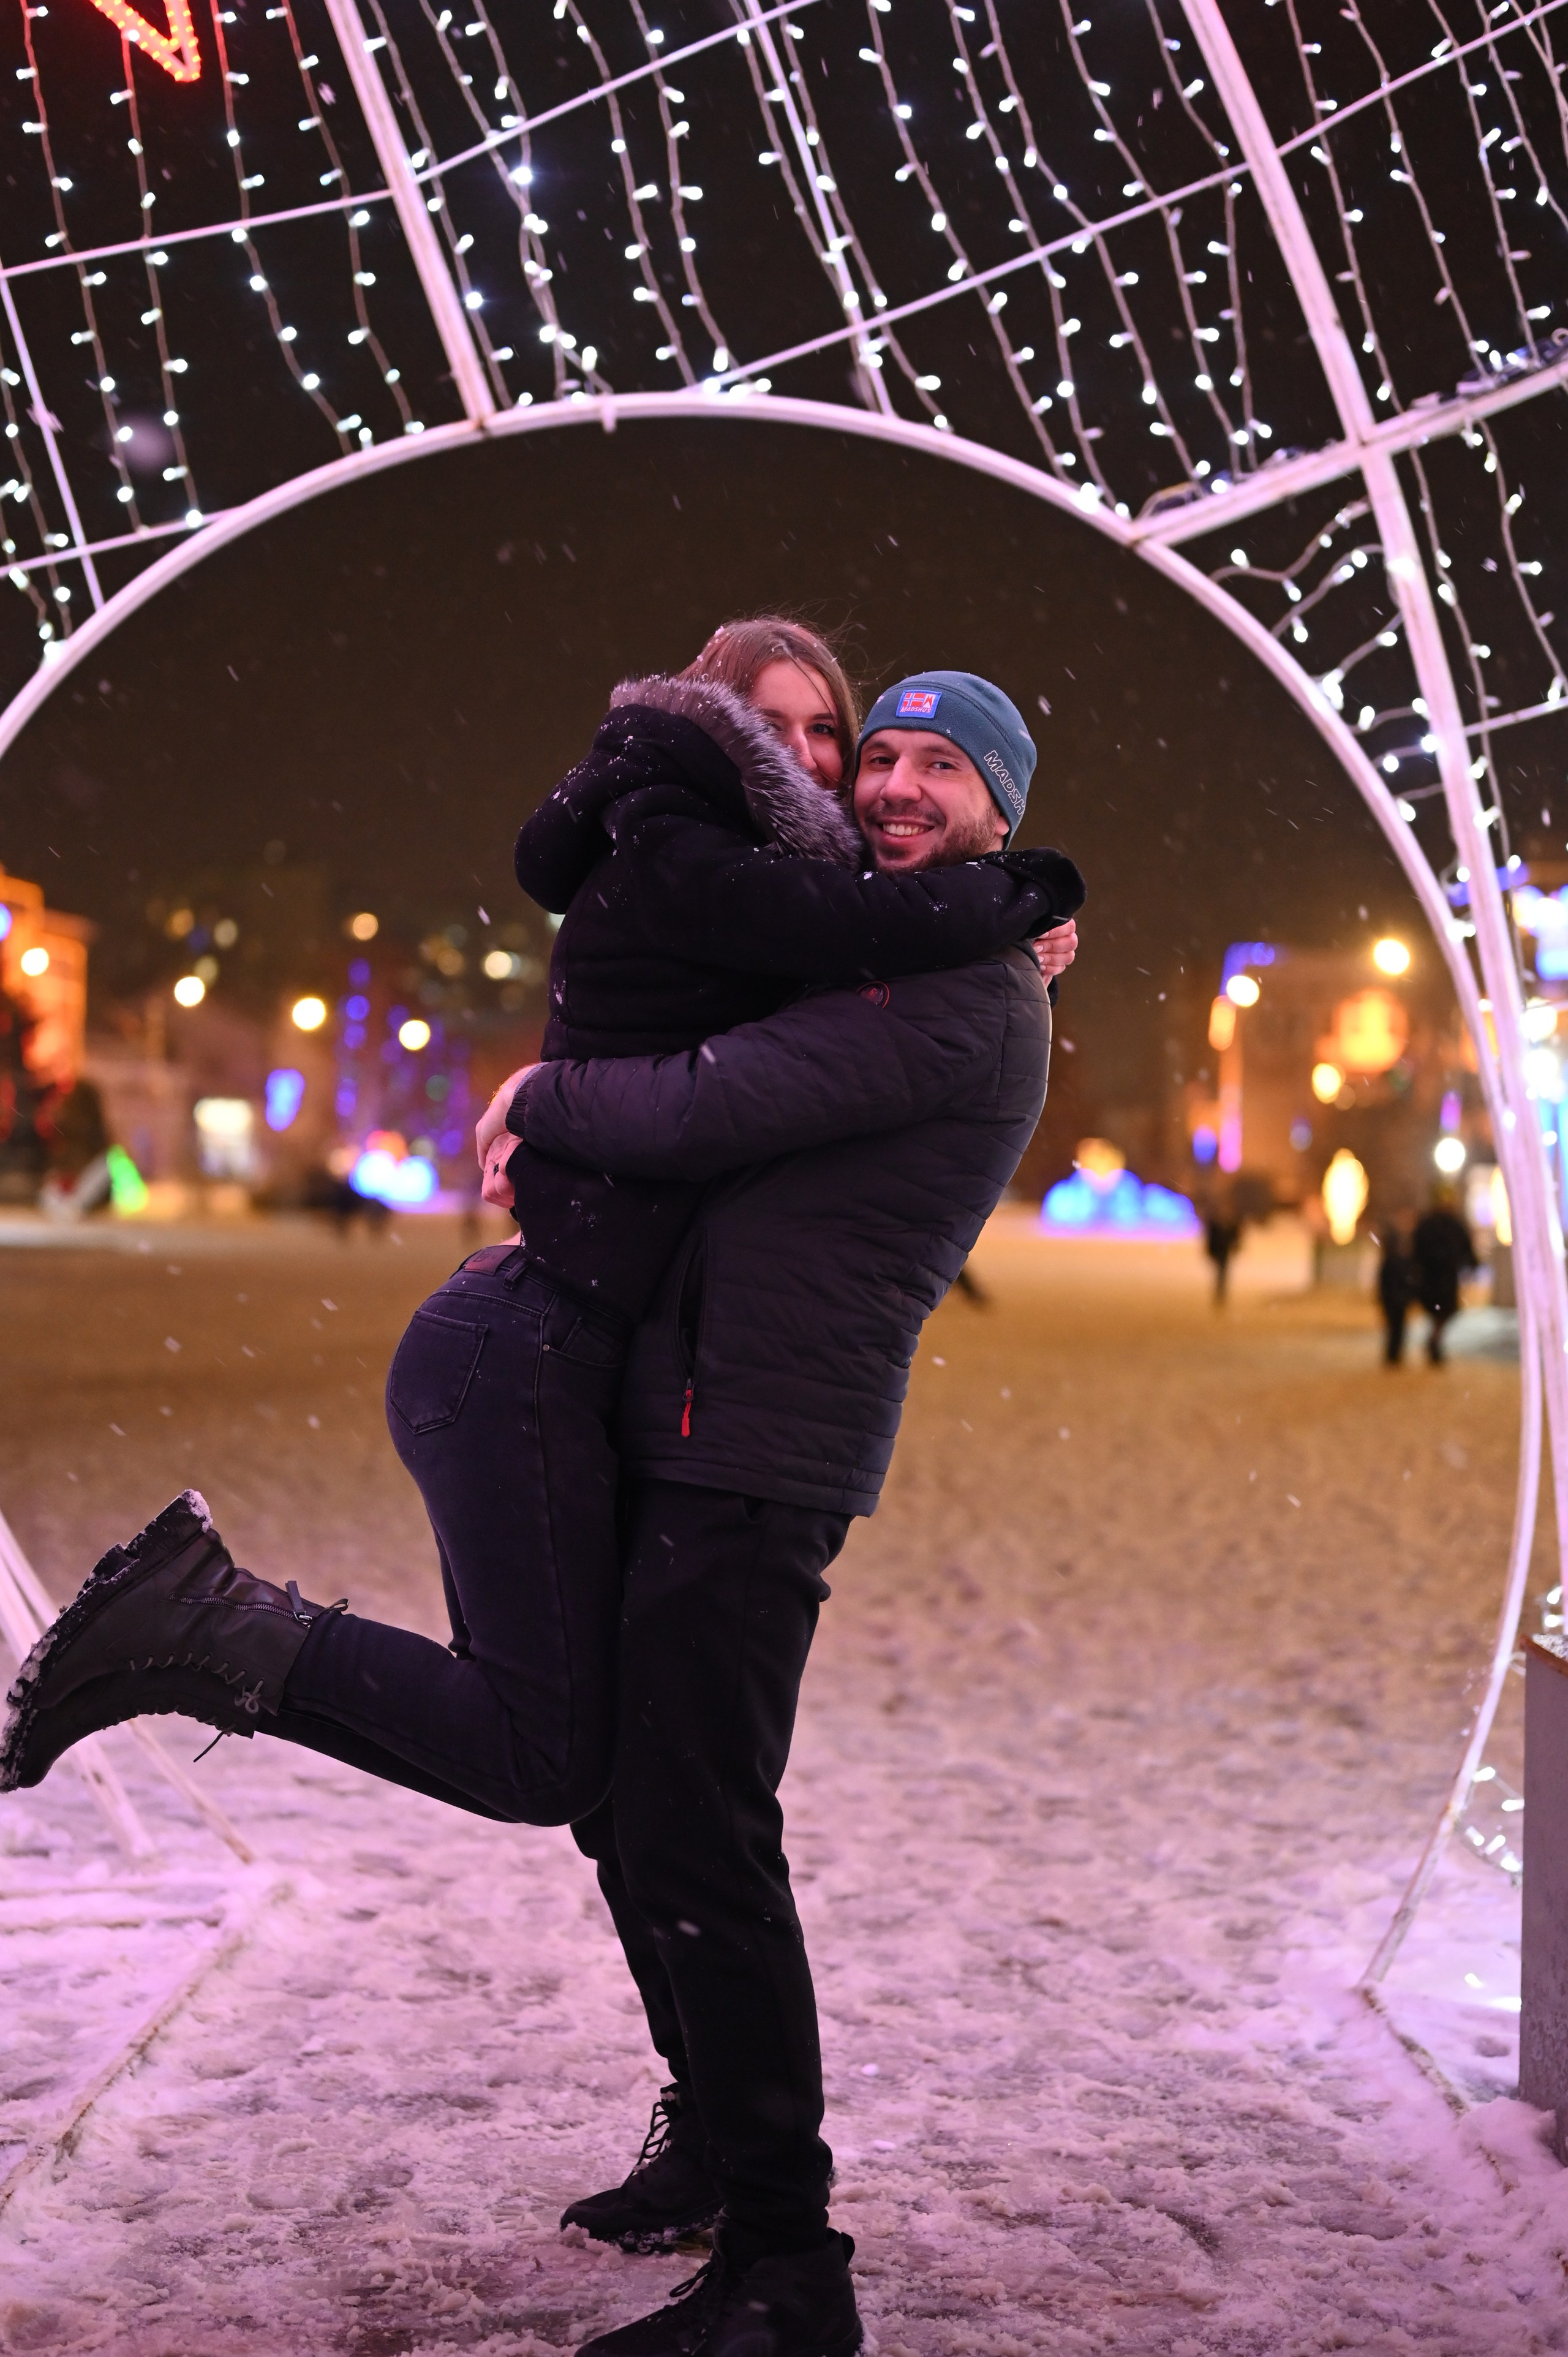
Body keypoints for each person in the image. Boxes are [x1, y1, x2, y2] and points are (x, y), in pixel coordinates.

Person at [0, 633, 1077, 1836]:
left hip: (561, 1342)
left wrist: (1006, 938)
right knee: (545, 1754)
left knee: (563, 1750)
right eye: (790, 731)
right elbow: (730, 1080)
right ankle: (200, 1618)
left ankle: (203, 1621)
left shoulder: (798, 922)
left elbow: (866, 1040)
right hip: (523, 1342)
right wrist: (1010, 897)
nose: (821, 763)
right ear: (720, 731)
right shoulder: (696, 865)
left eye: (832, 734)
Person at [487, 669, 1072, 2357]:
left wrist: (538, 1104)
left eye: (938, 769)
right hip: (713, 1417)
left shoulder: (957, 987)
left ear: (1000, 809)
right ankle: (736, 2192)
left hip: (760, 1442)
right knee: (661, 1819)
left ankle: (788, 2268)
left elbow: (697, 1102)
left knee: (702, 1837)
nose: (892, 787)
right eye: (875, 758)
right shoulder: (918, 951)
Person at [1412, 1189, 1477, 1365]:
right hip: (1439, 1275)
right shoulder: (1445, 1224)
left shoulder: (1439, 1223)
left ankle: (1435, 1340)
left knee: (1442, 1311)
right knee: (1441, 1310)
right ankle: (1435, 1342)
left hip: (1439, 1275)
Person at [1376, 1209, 1415, 1367]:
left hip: (1393, 1298)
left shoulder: (1389, 1262)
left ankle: (1393, 1355)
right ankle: (1394, 1355)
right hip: (1397, 1298)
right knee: (1397, 1328)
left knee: (1394, 1328)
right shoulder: (1399, 1261)